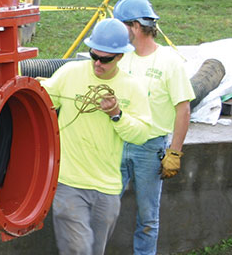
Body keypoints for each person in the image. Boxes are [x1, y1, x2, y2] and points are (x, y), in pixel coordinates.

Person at [40, 18, 153, 255]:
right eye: (94, 55)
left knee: (94, 250)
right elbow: (41, 101)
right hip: (68, 183)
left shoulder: (133, 88)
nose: (98, 63)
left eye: (106, 59)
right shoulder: (70, 73)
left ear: (121, 56)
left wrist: (117, 114)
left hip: (108, 187)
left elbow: (142, 134)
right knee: (78, 249)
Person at [113, 0, 195, 255]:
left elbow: (183, 108)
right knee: (102, 210)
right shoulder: (120, 58)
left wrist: (175, 151)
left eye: (120, 26)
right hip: (116, 142)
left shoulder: (169, 63)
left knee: (148, 218)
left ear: (136, 27)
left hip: (150, 148)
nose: (117, 31)